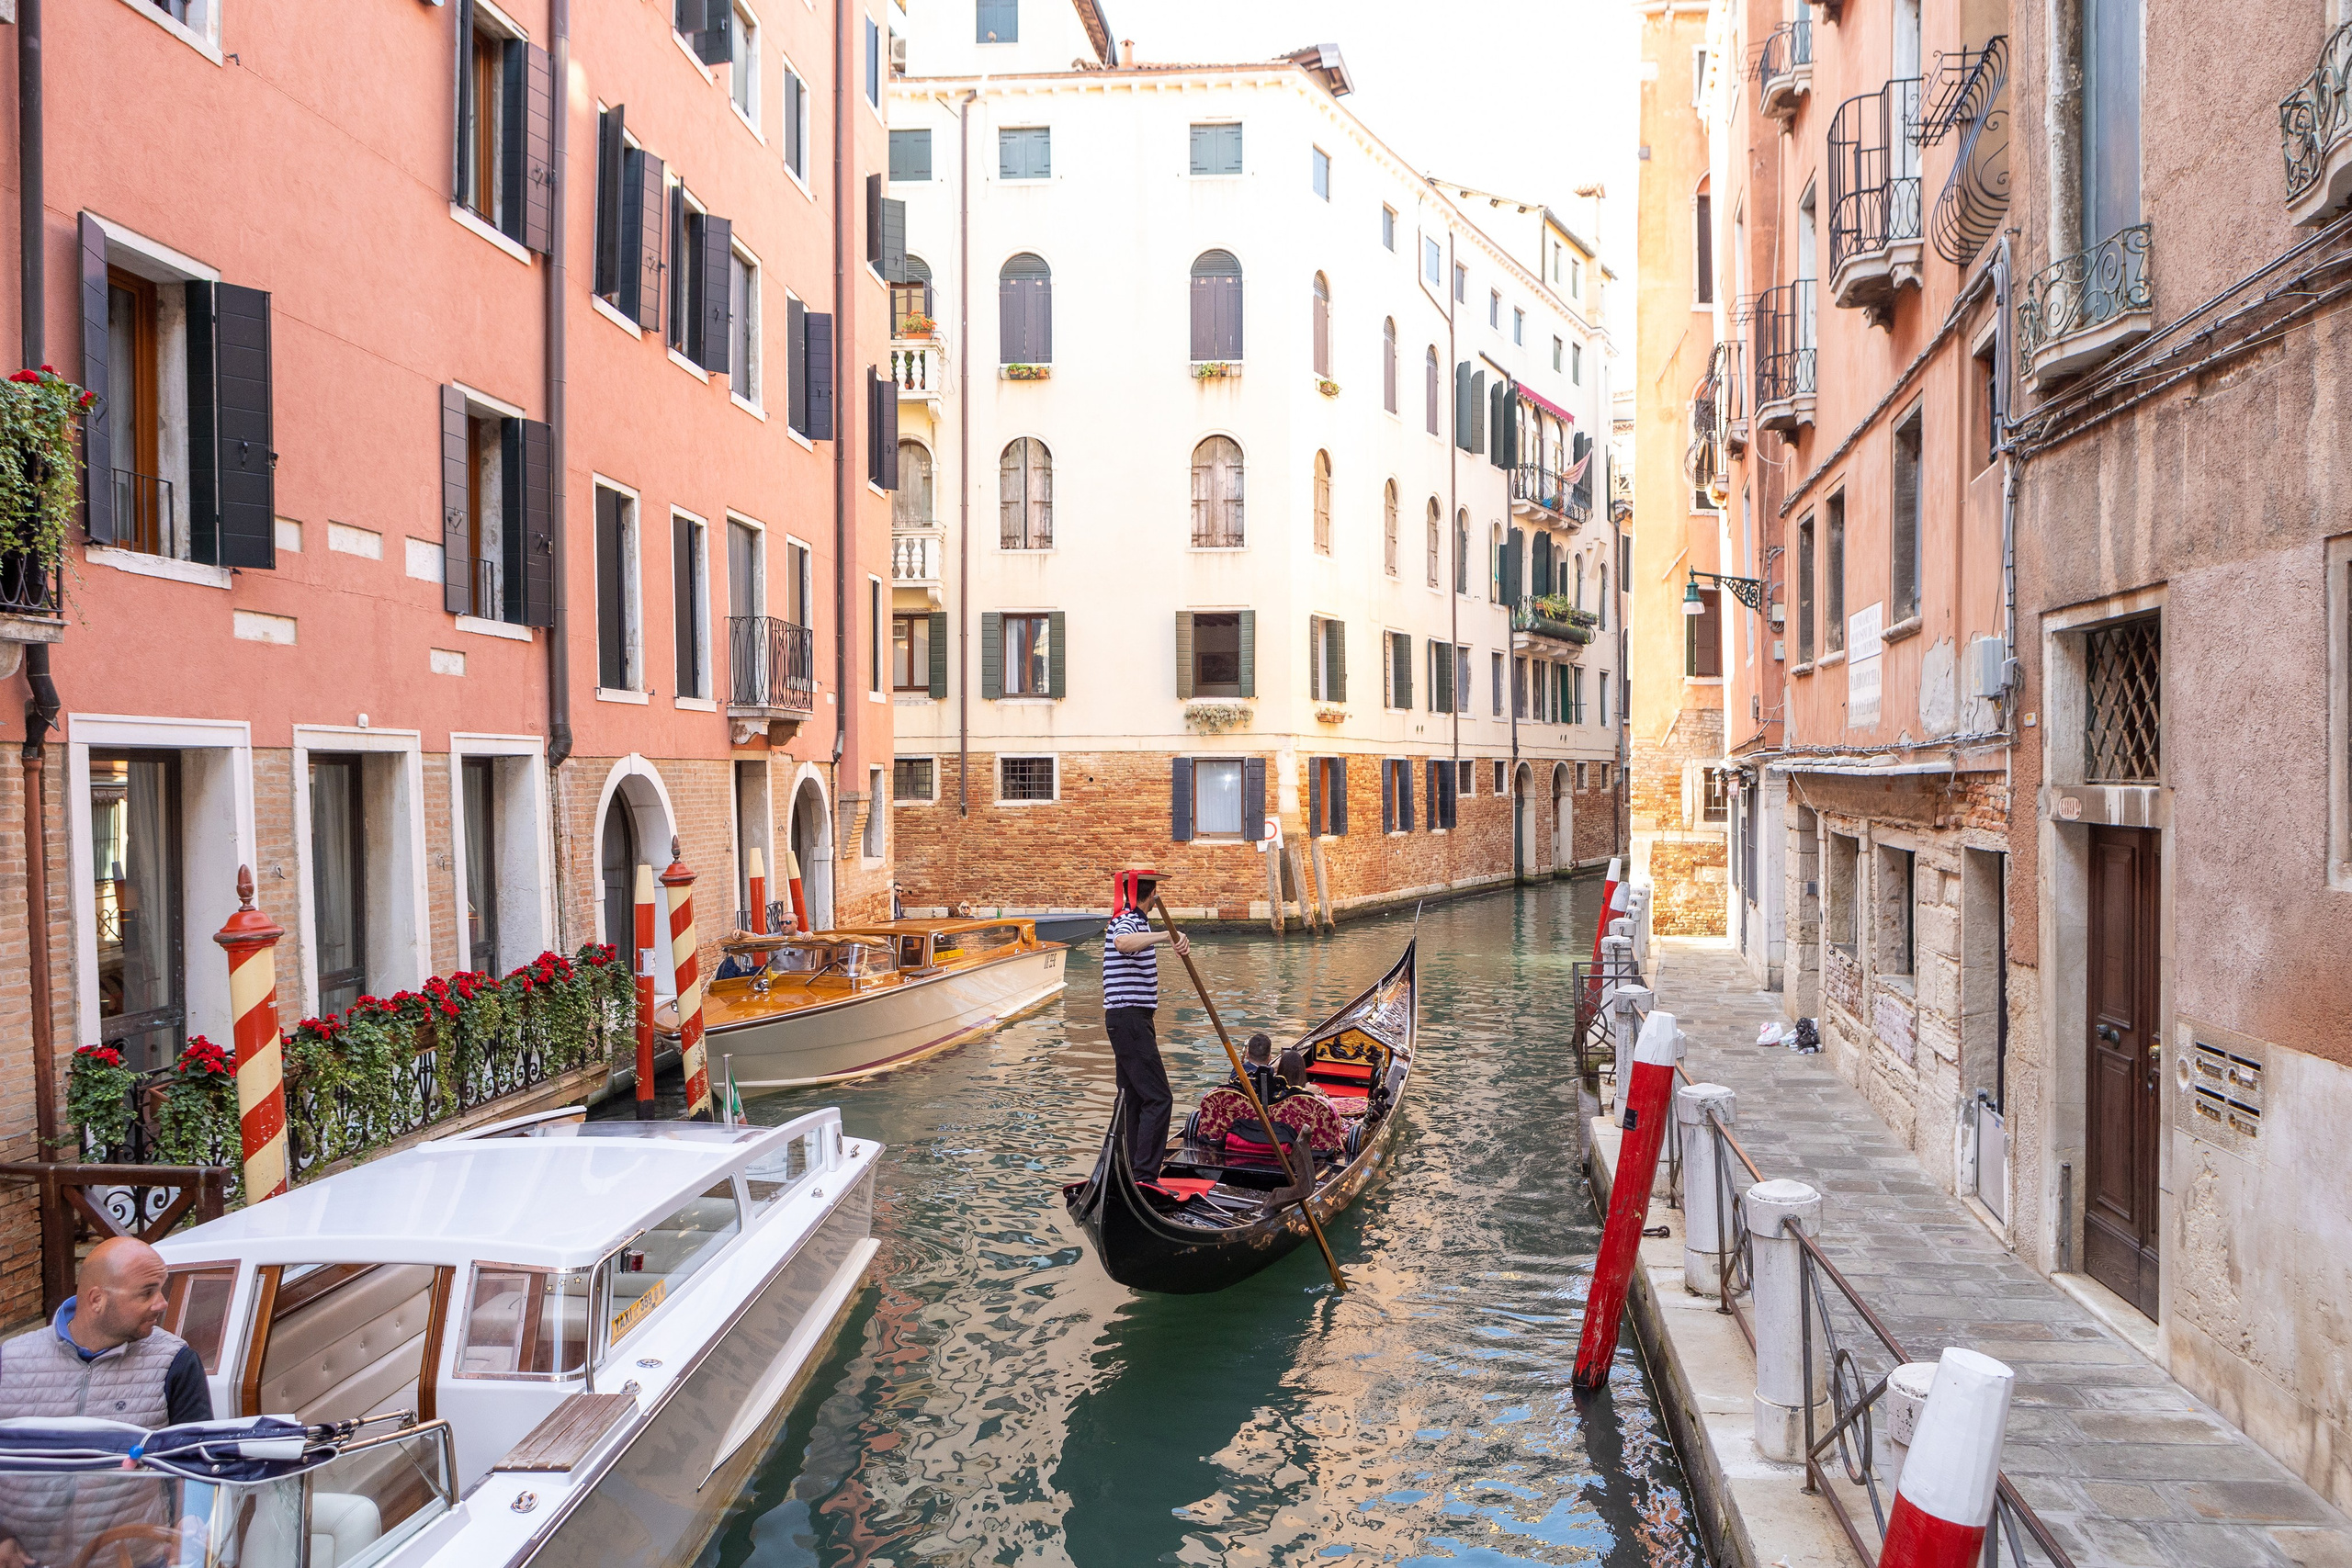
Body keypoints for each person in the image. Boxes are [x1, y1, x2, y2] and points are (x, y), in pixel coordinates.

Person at [0, 1239, 210, 1565]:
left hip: (136, 1560)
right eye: (147, 1293)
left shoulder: (175, 1362)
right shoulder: (9, 1361)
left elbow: (199, 1460)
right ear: (97, 1299)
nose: (162, 1303)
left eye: (161, 1289)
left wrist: (191, 1527)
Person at [1102, 868, 1189, 1183]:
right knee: (1159, 1098)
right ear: (1152, 895)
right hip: (1130, 1020)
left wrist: (1171, 940)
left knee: (1133, 1098)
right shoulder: (1126, 919)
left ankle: (1128, 1169)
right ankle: (1145, 1177)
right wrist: (1167, 935)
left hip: (1127, 1020)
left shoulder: (1137, 921)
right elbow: (1123, 942)